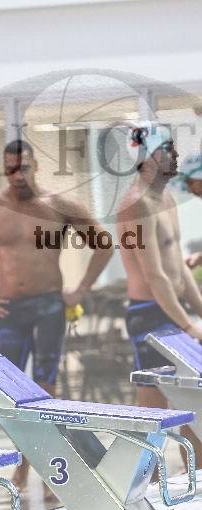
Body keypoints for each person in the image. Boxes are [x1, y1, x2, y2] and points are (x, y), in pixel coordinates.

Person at [0, 139, 113, 496]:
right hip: (9, 311)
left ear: (36, 165)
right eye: (10, 169)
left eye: (23, 168)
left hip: (48, 308)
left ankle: (47, 467)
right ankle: (24, 464)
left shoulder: (61, 205)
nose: (17, 176)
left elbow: (103, 245)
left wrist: (82, 289)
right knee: (10, 394)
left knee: (45, 390)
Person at [117, 123, 202, 461]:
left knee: (193, 407)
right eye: (166, 148)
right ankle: (145, 485)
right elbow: (154, 275)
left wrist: (198, 314)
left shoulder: (165, 197)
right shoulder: (136, 205)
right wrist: (188, 324)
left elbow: (178, 267)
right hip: (150, 317)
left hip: (173, 310)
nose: (175, 154)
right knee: (154, 416)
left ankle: (195, 481)